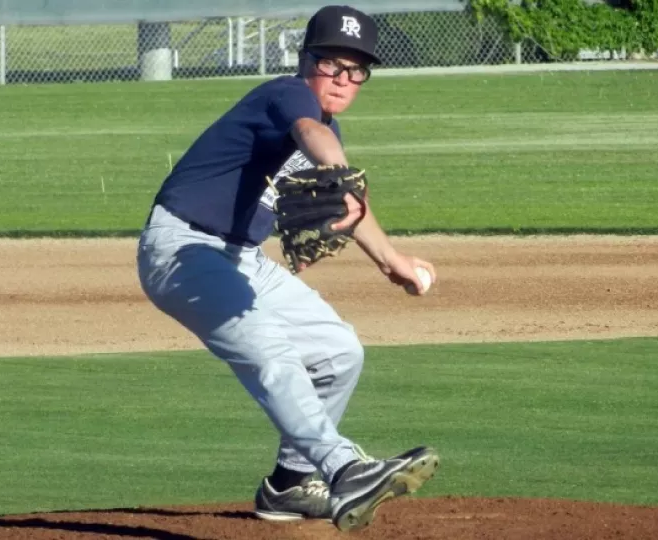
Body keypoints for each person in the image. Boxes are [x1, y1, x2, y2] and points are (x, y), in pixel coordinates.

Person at [136, 4, 439, 533]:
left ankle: (291, 484)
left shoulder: (331, 131)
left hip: (243, 259)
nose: (344, 79)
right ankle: (345, 469)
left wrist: (391, 259)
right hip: (182, 249)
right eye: (331, 64)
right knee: (272, 353)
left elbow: (344, 193)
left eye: (357, 69)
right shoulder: (287, 94)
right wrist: (336, 169)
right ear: (305, 61)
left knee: (338, 352)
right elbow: (310, 134)